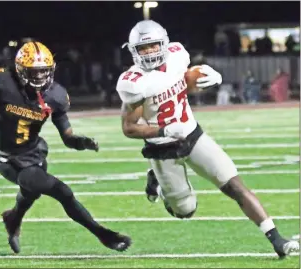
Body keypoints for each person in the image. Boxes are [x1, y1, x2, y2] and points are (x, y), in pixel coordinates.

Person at [0, 38, 132, 254]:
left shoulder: (56, 95)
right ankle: (103, 234)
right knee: (62, 192)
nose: (40, 76)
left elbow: (67, 137)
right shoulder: (2, 80)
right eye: (34, 71)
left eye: (44, 71)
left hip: (35, 152)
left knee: (31, 193)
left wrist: (80, 142)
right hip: (9, 160)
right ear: (20, 69)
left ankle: (13, 219)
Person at [116, 20, 299, 258]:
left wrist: (209, 76)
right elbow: (129, 128)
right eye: (143, 48)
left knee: (234, 185)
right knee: (185, 210)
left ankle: (277, 240)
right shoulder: (134, 82)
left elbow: (183, 85)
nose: (149, 52)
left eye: (153, 46)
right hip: (162, 149)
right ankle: (158, 183)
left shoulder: (177, 55)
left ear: (164, 44)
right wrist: (163, 131)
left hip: (192, 135)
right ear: (133, 51)